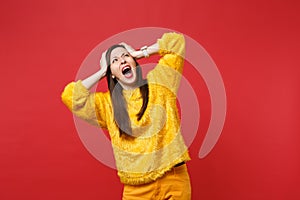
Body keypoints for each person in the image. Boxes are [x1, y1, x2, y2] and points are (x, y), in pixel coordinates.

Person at [61, 32, 192, 199]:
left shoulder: (160, 83)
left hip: (173, 179)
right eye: (114, 60)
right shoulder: (107, 105)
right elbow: (70, 96)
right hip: (136, 189)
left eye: (125, 56)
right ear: (112, 72)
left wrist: (141, 52)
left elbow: (176, 42)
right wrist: (102, 71)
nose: (122, 60)